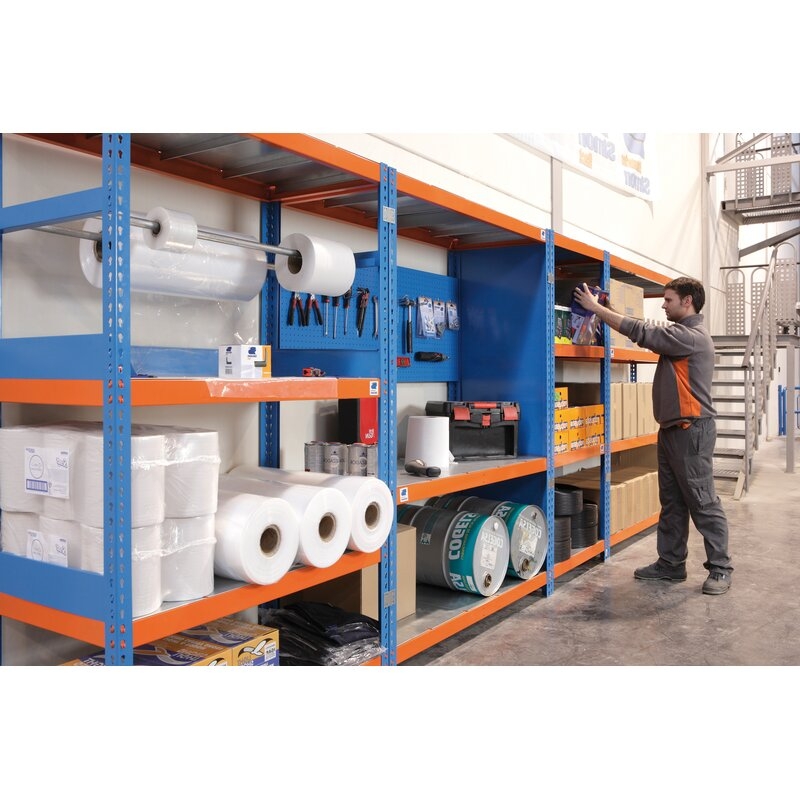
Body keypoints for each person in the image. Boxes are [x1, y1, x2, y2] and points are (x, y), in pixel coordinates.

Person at [573, 277, 734, 595]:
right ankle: (671, 564)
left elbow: (644, 332)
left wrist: (595, 309)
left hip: (691, 431)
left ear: (687, 301)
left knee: (702, 501)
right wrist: (609, 310)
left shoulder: (690, 337)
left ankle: (720, 568)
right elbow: (646, 329)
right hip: (673, 430)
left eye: (669, 300)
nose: (663, 305)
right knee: (672, 501)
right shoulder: (681, 334)